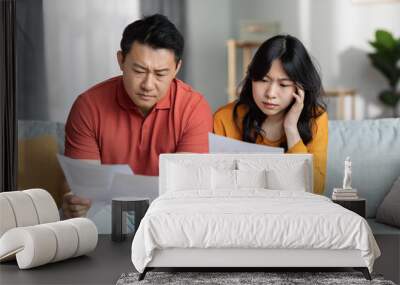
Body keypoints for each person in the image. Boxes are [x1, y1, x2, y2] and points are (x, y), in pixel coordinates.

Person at [62, 14, 213, 218]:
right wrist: (78, 203)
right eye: (139, 70)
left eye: (160, 74)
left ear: (177, 68)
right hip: (105, 225)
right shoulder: (88, 107)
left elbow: (183, 190)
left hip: (169, 221)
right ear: (121, 60)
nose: (148, 85)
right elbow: (87, 188)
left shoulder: (193, 108)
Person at [214, 34, 328, 195]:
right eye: (263, 80)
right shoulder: (224, 118)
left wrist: (291, 129)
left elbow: (314, 190)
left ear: (299, 88)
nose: (271, 93)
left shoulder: (315, 118)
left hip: (294, 212)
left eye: (283, 84)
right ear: (251, 78)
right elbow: (215, 186)